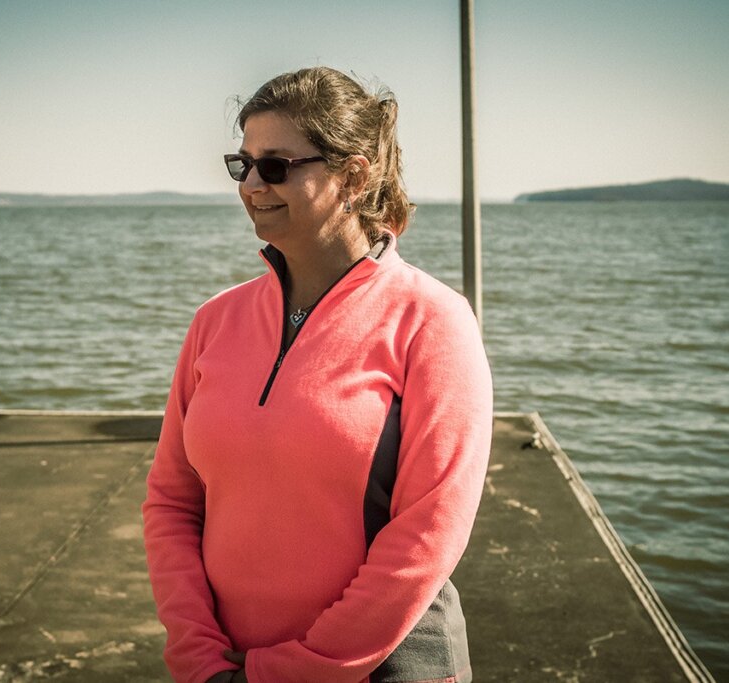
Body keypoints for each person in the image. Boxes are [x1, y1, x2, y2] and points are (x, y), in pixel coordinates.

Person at [142, 66, 493, 683]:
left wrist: (298, 670)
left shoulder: (432, 320)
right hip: (226, 665)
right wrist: (197, 655)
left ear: (353, 176)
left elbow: (428, 532)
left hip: (389, 665)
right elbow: (172, 501)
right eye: (241, 163)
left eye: (275, 165)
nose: (252, 184)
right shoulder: (214, 321)